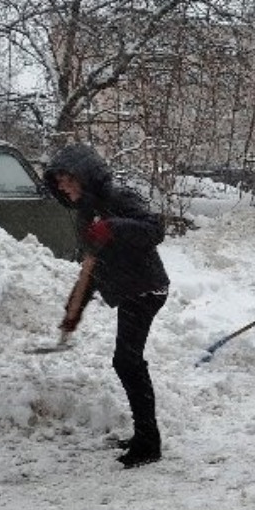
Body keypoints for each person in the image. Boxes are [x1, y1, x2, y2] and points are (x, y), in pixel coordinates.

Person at [43, 143, 171, 469]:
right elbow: (91, 266)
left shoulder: (116, 198)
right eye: (59, 181)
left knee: (127, 362)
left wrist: (113, 226)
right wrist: (75, 309)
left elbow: (155, 229)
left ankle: (148, 442)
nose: (63, 186)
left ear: (86, 177)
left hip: (146, 288)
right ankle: (144, 436)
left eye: (69, 179)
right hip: (129, 290)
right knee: (126, 362)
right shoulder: (85, 212)